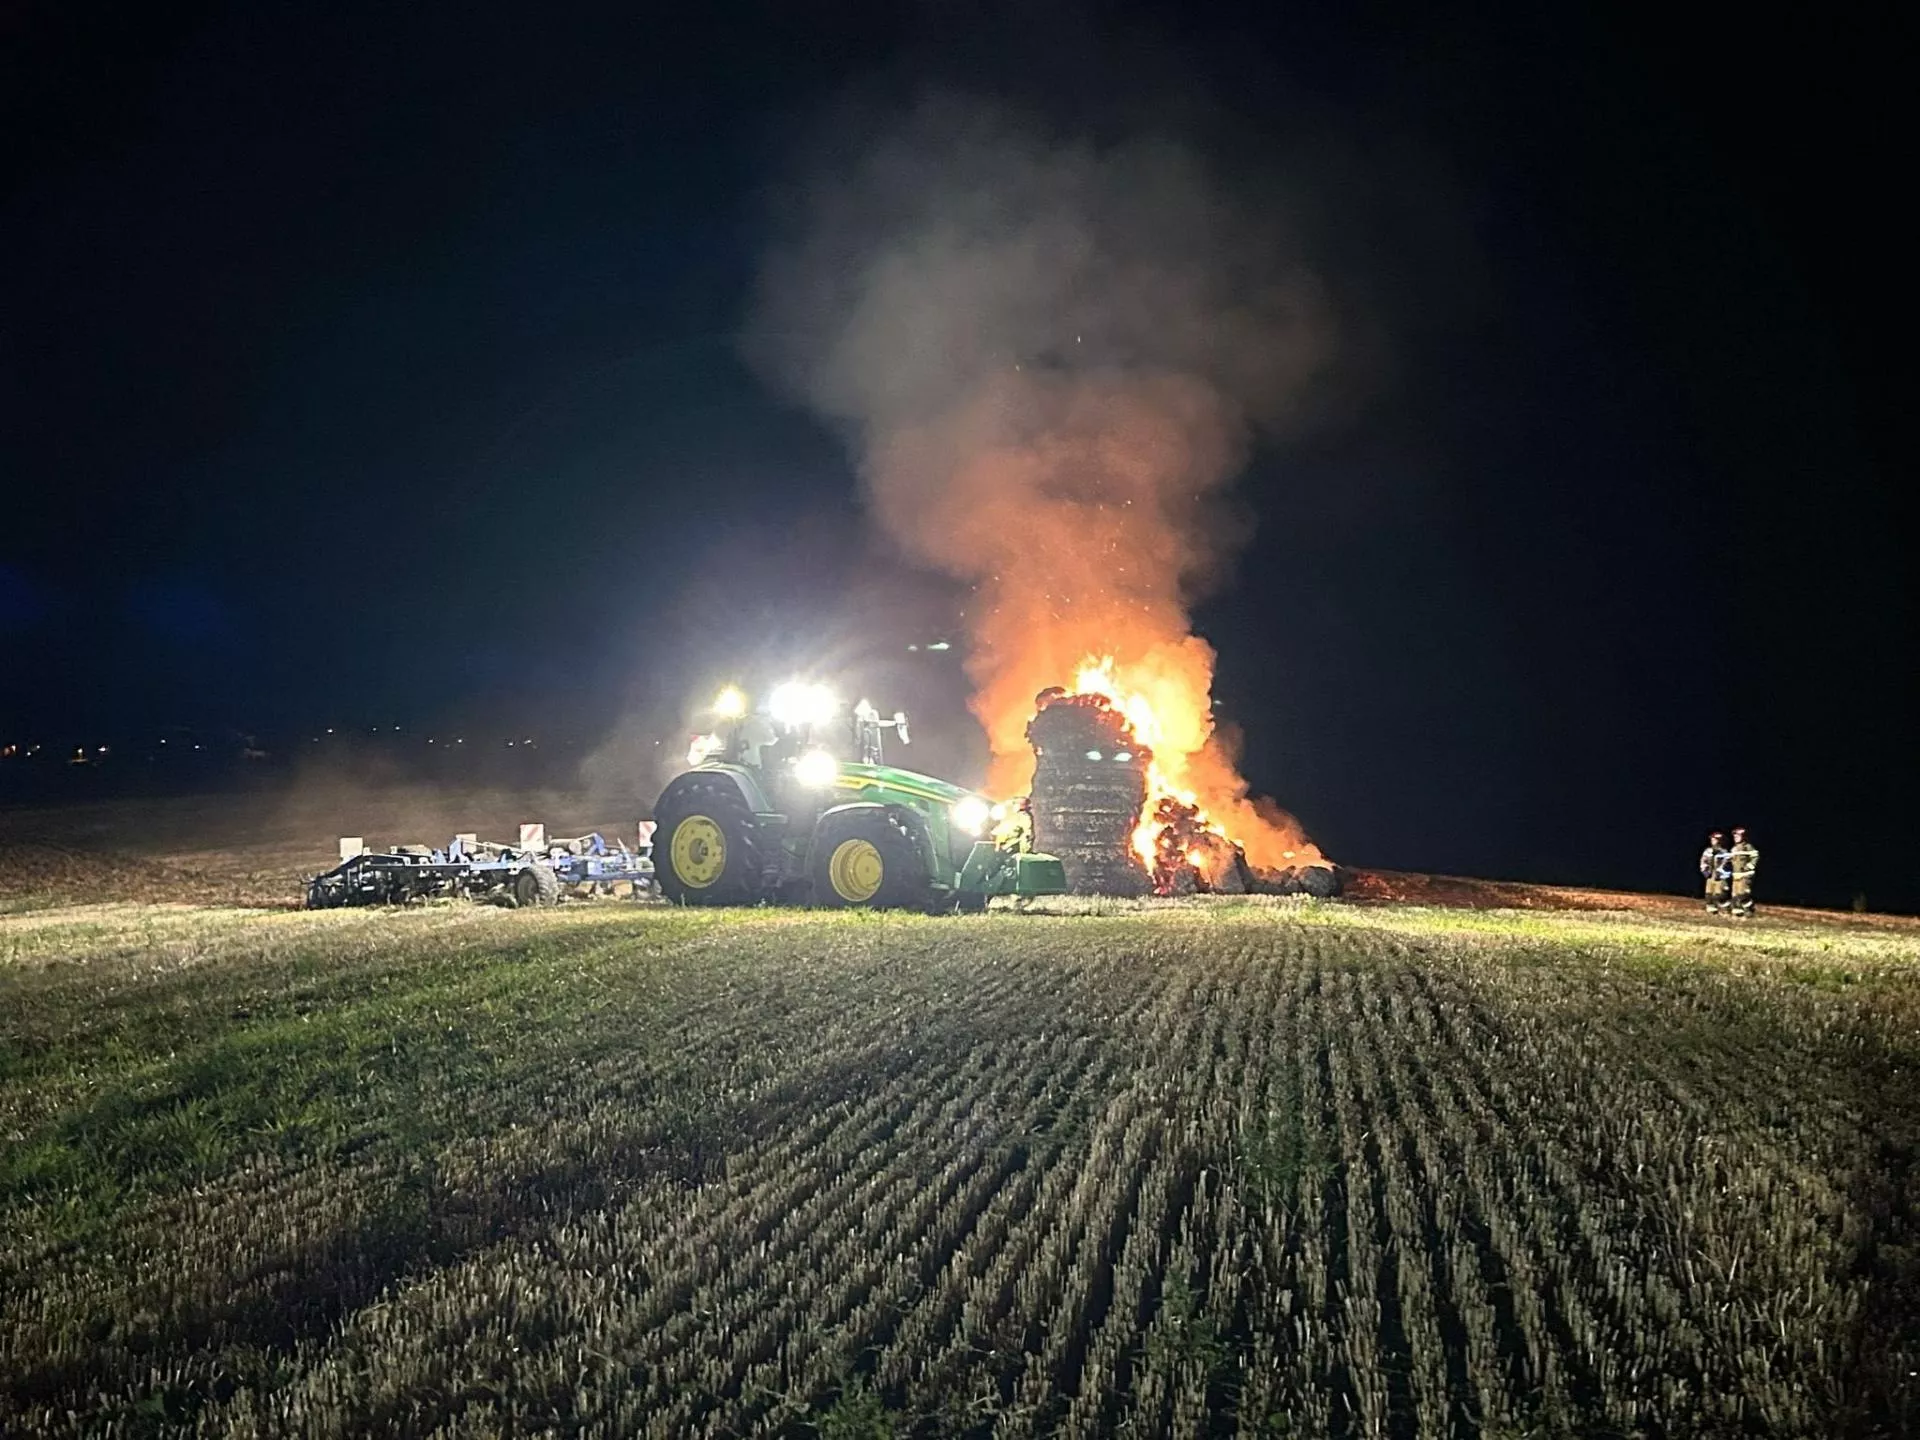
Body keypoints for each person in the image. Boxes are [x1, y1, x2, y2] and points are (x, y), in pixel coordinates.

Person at [1729, 827, 1760, 917]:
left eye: (1738, 835)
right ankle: (1738, 913)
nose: (1736, 837)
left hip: (1745, 875)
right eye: (1735, 835)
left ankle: (1749, 909)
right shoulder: (1734, 849)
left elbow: (1755, 857)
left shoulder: (1748, 847)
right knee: (1735, 895)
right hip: (1736, 875)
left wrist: (1749, 867)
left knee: (1742, 894)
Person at [1699, 832, 1731, 913]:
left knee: (1719, 895)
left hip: (1719, 877)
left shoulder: (1724, 852)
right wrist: (1704, 870)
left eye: (1715, 839)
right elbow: (1703, 861)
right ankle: (1711, 910)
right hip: (1710, 875)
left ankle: (1726, 910)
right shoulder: (1708, 851)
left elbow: (1727, 864)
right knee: (1708, 894)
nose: (1713, 841)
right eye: (1712, 839)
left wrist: (1721, 873)